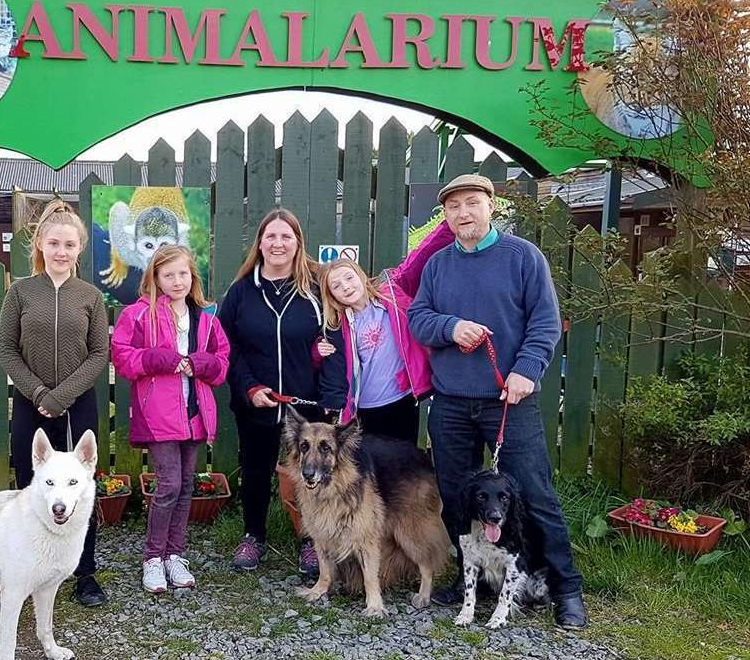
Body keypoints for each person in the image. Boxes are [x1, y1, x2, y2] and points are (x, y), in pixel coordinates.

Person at [406, 173, 588, 629]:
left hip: (510, 399)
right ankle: (474, 581)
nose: (464, 213)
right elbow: (419, 319)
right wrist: (451, 327)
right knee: (457, 497)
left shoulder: (523, 257)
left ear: (491, 207)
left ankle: (566, 587)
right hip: (450, 402)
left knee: (535, 494)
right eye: (453, 207)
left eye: (472, 203)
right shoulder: (438, 266)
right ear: (445, 217)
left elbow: (545, 323)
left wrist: (526, 370)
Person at [219, 209, 347, 575]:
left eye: (285, 237)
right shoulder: (241, 292)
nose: (278, 243)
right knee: (257, 470)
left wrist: (332, 398)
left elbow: (335, 343)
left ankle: (311, 540)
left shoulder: (317, 289)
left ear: (297, 243)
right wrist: (248, 387)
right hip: (257, 402)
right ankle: (253, 536)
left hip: (307, 408)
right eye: (270, 236)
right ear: (259, 243)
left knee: (310, 473)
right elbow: (226, 347)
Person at [0, 199, 110, 608]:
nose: (61, 252)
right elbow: (7, 350)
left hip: (79, 403)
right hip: (31, 401)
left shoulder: (90, 296)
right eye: (54, 243)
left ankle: (85, 574)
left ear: (80, 249)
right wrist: (40, 394)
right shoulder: (20, 293)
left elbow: (99, 353)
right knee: (31, 483)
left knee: (80, 485)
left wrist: (63, 395)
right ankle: (19, 575)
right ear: (40, 245)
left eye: (70, 245)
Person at [111, 245, 230, 594]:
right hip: (158, 415)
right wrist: (159, 359)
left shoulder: (207, 318)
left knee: (186, 487)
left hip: (196, 414)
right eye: (168, 275)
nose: (177, 281)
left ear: (192, 276)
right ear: (155, 279)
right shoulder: (138, 315)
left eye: (183, 274)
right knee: (168, 486)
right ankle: (152, 558)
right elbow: (123, 356)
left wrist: (201, 364)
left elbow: (221, 362)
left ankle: (175, 555)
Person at [317, 221, 455, 443]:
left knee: (402, 467)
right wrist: (317, 352)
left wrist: (452, 221)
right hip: (363, 409)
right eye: (336, 285)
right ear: (331, 295)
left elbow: (421, 255)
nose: (346, 286)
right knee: (370, 472)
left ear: (360, 276)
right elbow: (327, 363)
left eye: (349, 277)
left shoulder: (393, 293)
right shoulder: (337, 326)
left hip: (402, 401)